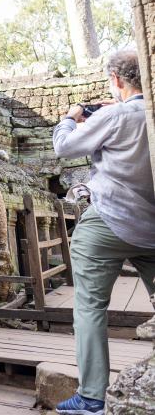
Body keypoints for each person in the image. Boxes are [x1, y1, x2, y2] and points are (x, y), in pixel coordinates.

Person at [52, 50, 155, 415]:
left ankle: (92, 397)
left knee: (90, 307)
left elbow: (64, 147)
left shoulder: (115, 115)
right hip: (151, 229)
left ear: (116, 79)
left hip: (108, 223)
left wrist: (70, 117)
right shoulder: (146, 113)